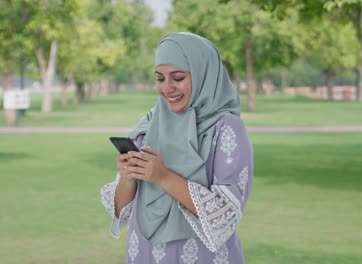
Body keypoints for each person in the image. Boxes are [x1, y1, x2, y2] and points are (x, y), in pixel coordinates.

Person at [101, 32, 254, 264]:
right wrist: (128, 176)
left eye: (178, 77)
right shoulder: (150, 125)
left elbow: (225, 216)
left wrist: (163, 176)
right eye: (160, 78)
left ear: (204, 74)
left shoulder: (226, 128)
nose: (167, 88)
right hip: (144, 254)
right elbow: (122, 212)